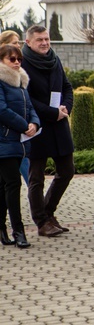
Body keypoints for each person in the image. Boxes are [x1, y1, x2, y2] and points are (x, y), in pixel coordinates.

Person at [21, 25, 75, 237]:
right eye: (39, 40)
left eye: (46, 39)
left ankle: (48, 211)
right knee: (36, 177)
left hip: (59, 123)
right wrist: (52, 112)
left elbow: (67, 87)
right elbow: (26, 98)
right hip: (37, 126)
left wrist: (66, 107)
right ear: (28, 43)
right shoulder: (23, 64)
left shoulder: (54, 59)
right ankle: (42, 222)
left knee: (67, 170)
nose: (44, 43)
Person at [0, 44, 40, 248]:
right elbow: (3, 110)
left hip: (19, 143)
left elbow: (30, 107)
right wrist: (24, 126)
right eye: (11, 59)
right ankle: (18, 231)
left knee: (4, 186)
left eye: (19, 59)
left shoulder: (21, 82)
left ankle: (2, 228)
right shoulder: (1, 82)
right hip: (4, 142)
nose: (16, 63)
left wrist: (34, 123)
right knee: (13, 184)